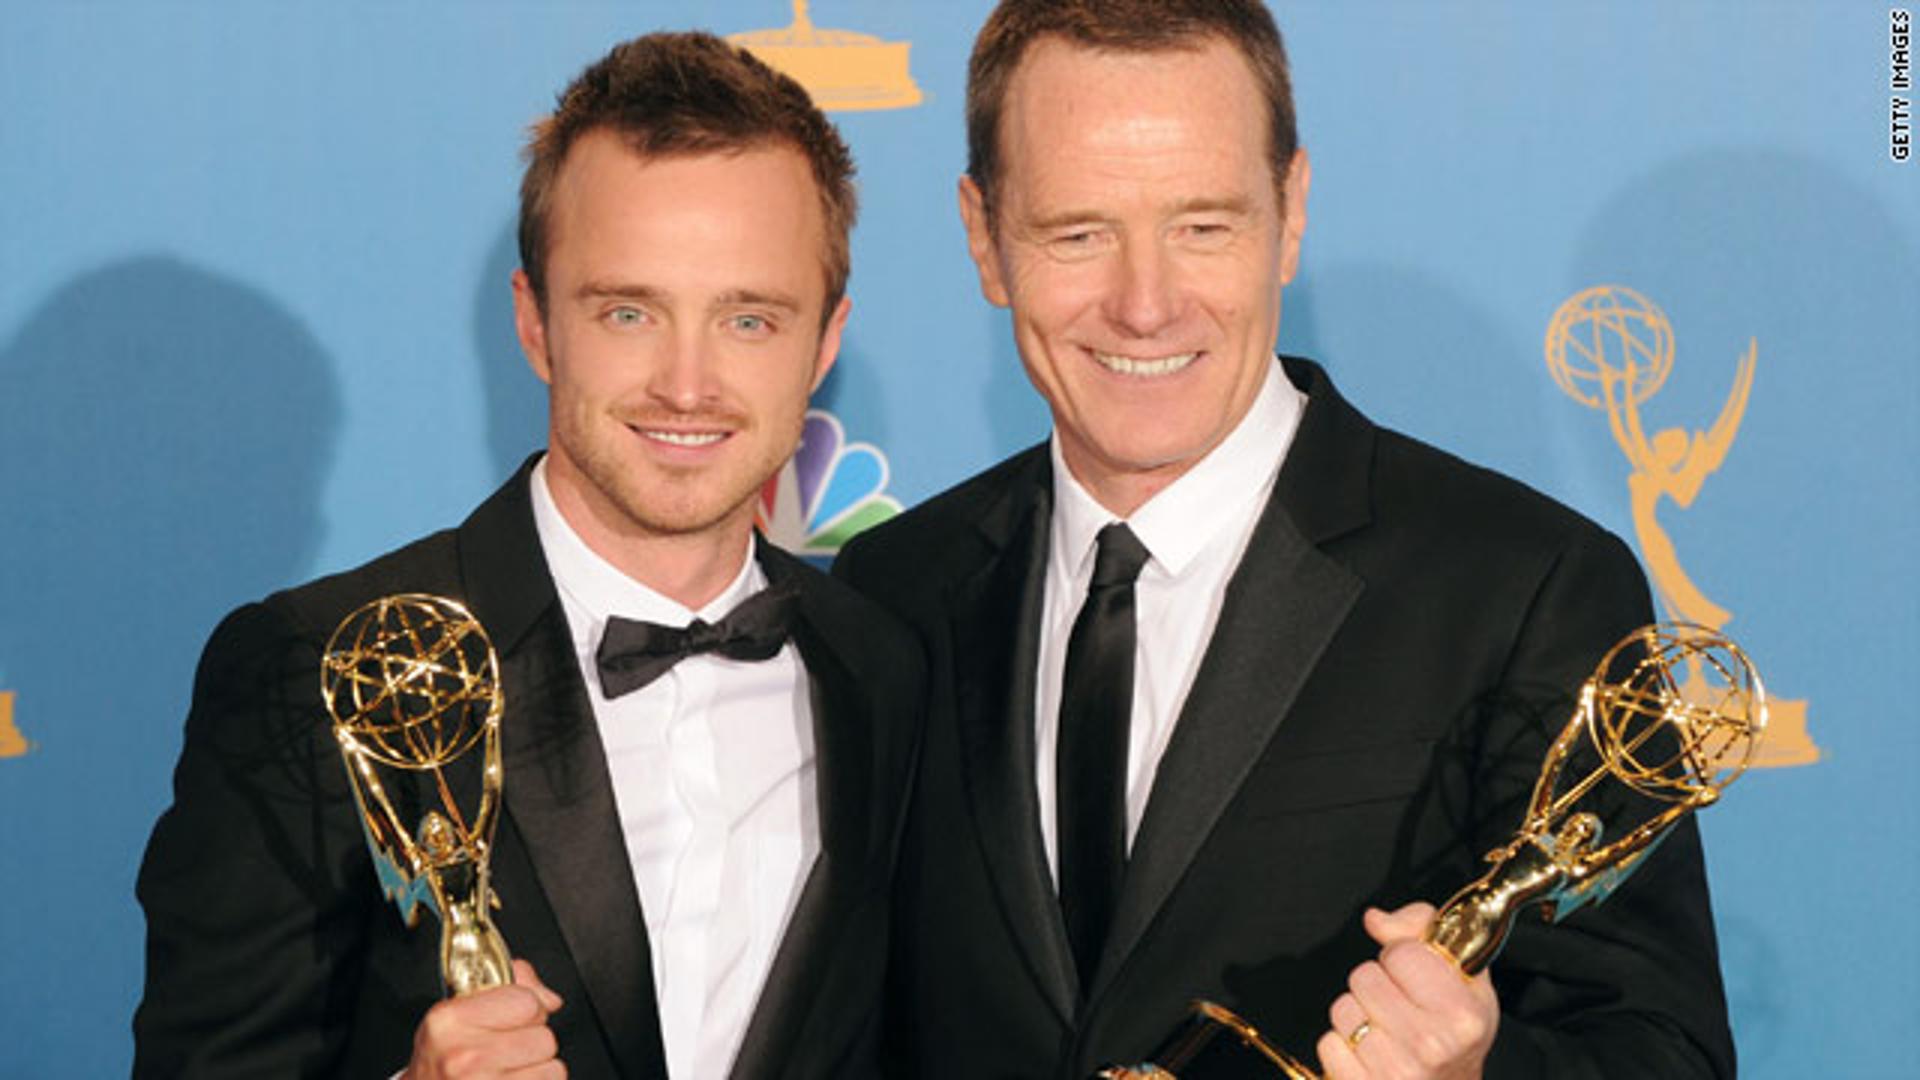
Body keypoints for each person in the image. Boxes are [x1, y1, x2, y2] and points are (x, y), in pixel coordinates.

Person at [833, 2, 1734, 1077]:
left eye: (1203, 227)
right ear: (984, 237)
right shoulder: (892, 591)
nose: (1145, 304)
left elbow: (1662, 1052)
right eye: (1078, 233)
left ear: (1290, 212)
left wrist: (1478, 1073)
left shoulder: (1527, 588)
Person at [135, 31, 922, 1080]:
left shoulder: (886, 669)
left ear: (824, 343)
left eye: (748, 319)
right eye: (628, 311)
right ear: (536, 324)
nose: (687, 384)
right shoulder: (318, 670)